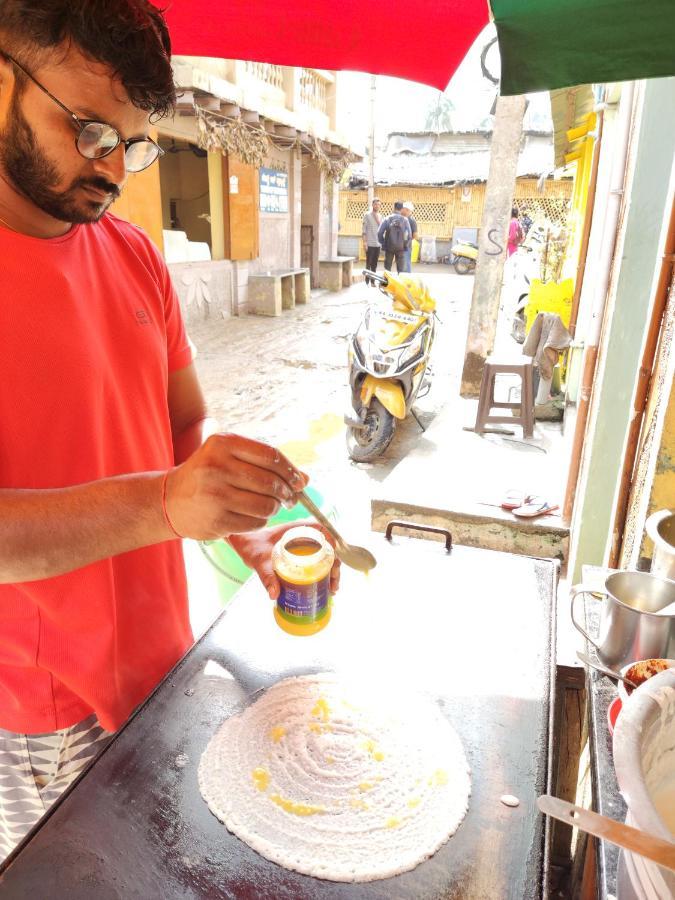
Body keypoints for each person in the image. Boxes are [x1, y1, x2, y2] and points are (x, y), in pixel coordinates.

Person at [0, 0, 340, 859]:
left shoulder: (132, 253)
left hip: (163, 652)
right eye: (86, 132)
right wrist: (164, 503)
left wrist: (250, 527)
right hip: (40, 707)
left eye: (131, 141)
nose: (113, 169)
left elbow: (182, 421)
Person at [377, 200, 411, 274]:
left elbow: (379, 232)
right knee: (401, 270)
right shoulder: (405, 220)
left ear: (393, 207)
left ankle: (386, 283)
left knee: (387, 268)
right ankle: (400, 284)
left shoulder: (387, 218)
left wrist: (384, 243)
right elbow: (409, 235)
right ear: (402, 209)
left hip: (389, 247)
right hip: (400, 248)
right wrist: (405, 245)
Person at [361, 196, 382, 285]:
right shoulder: (367, 215)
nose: (377, 206)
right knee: (368, 263)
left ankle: (373, 281)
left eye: (378, 205)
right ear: (372, 205)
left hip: (378, 244)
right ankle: (367, 281)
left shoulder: (381, 216)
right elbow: (364, 230)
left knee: (374, 264)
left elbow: (381, 230)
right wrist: (365, 242)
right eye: (375, 204)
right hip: (369, 243)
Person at [401, 201, 418, 272]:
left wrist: (407, 240)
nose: (401, 210)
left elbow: (415, 235)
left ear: (407, 210)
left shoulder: (411, 220)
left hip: (406, 247)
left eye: (403, 209)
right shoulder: (401, 218)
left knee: (405, 266)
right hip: (400, 246)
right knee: (401, 266)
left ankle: (407, 282)